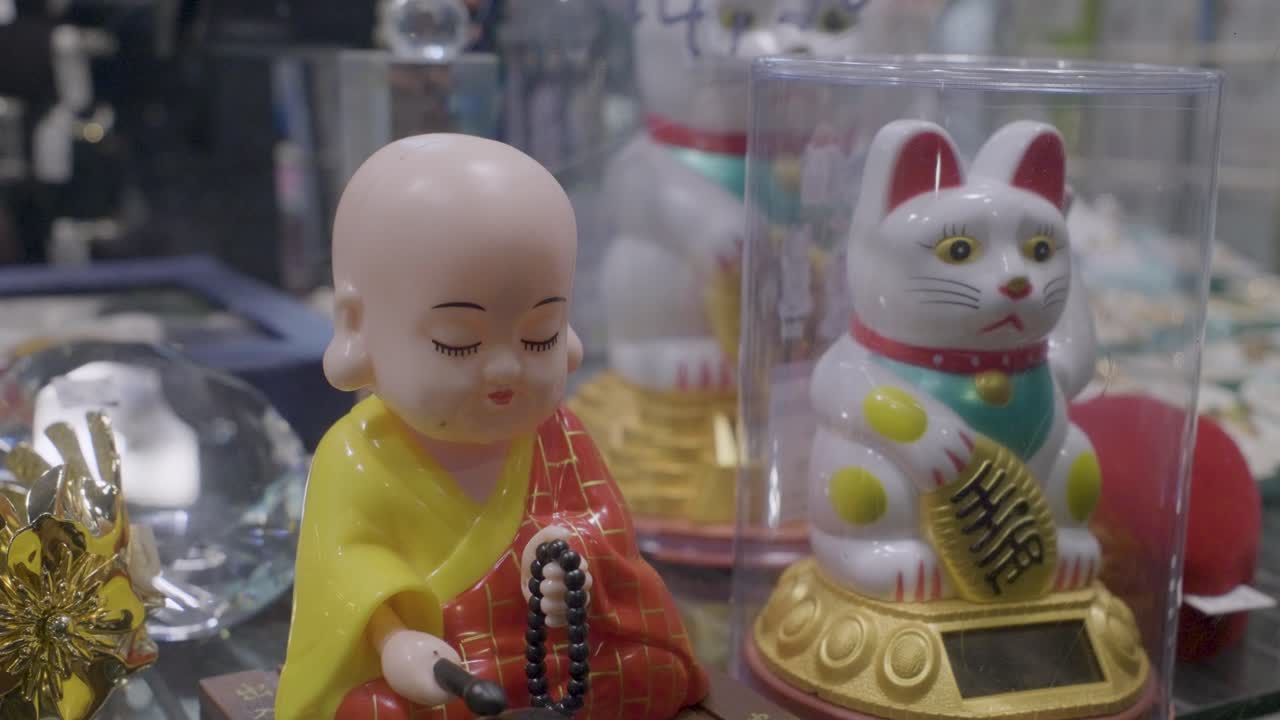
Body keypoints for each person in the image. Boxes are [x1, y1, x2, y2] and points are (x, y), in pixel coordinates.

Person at [274, 134, 709, 720]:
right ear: (358, 327)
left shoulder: (561, 437)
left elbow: (606, 529)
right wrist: (394, 641)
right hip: (447, 664)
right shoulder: (357, 456)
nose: (506, 366)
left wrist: (570, 555)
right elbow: (344, 575)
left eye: (540, 335)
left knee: (650, 674)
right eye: (459, 342)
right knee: (381, 711)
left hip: (553, 655)